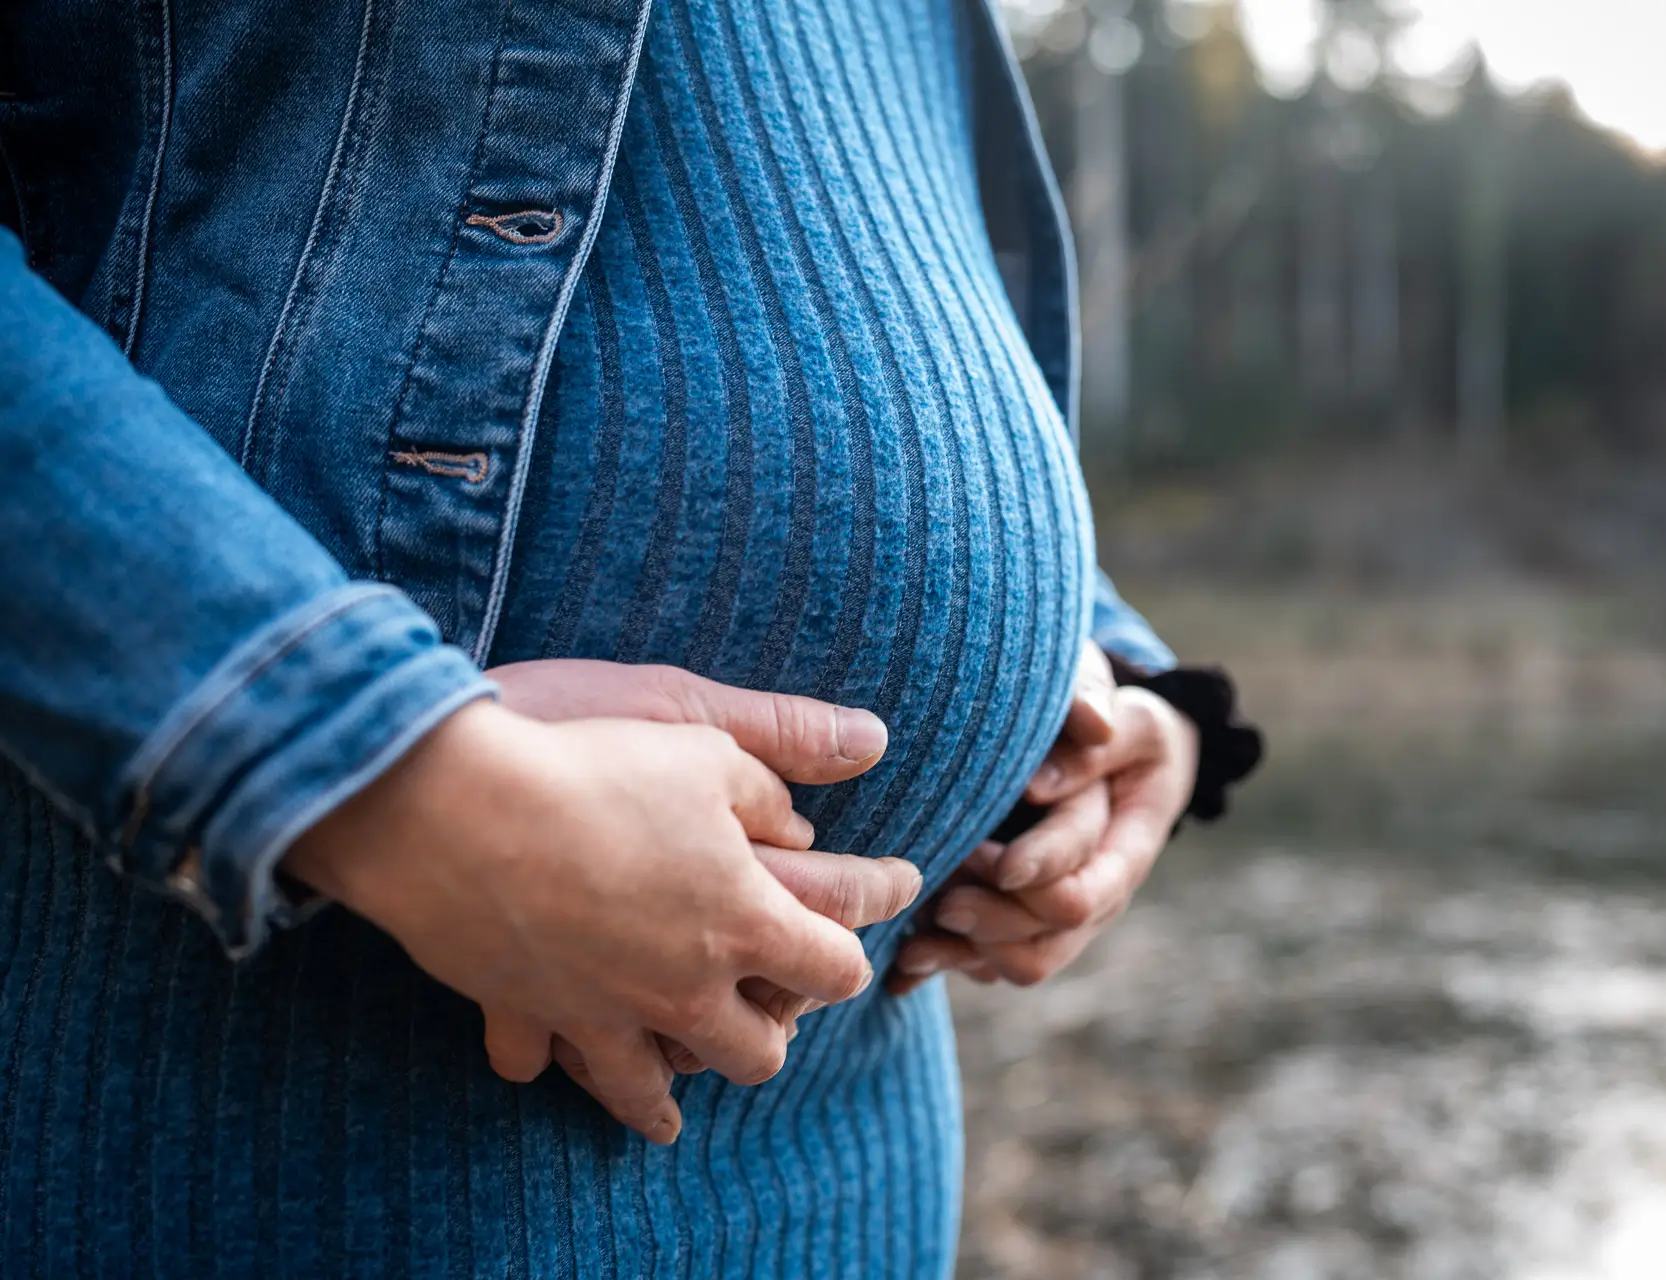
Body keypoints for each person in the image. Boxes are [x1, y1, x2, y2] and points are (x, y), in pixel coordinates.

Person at [0, 0, 1260, 1274]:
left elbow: (904, 249)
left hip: (849, 1128)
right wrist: (393, 776)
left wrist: (1094, 672)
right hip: (297, 1095)